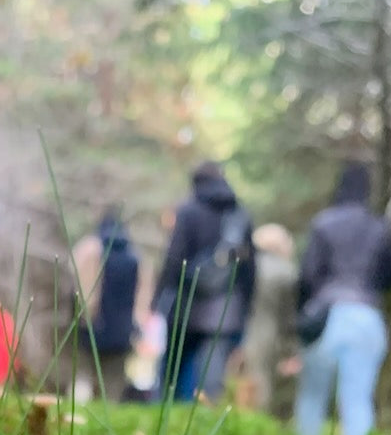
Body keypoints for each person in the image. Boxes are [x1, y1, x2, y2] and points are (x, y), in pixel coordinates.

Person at [293, 162, 391, 435]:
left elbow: (307, 275)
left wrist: (302, 319)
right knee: (358, 397)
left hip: (326, 315)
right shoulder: (379, 227)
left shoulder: (323, 223)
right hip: (367, 315)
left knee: (313, 396)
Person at [149, 161, 256, 402]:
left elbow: (174, 259)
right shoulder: (239, 215)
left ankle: (168, 421)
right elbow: (249, 270)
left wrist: (157, 300)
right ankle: (199, 419)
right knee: (209, 380)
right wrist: (245, 310)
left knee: (172, 375)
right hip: (224, 311)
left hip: (185, 305)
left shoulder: (188, 211)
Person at [71, 211, 140, 401]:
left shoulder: (91, 250)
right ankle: (111, 415)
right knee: (113, 381)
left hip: (93, 325)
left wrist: (84, 315)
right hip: (121, 330)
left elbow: (78, 284)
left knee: (84, 373)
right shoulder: (132, 256)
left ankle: (80, 412)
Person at [232, 223, 298, 411]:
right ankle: (253, 429)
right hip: (266, 334)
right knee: (259, 386)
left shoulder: (243, 264)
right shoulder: (286, 272)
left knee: (232, 384)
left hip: (234, 330)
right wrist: (290, 350)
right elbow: (289, 316)